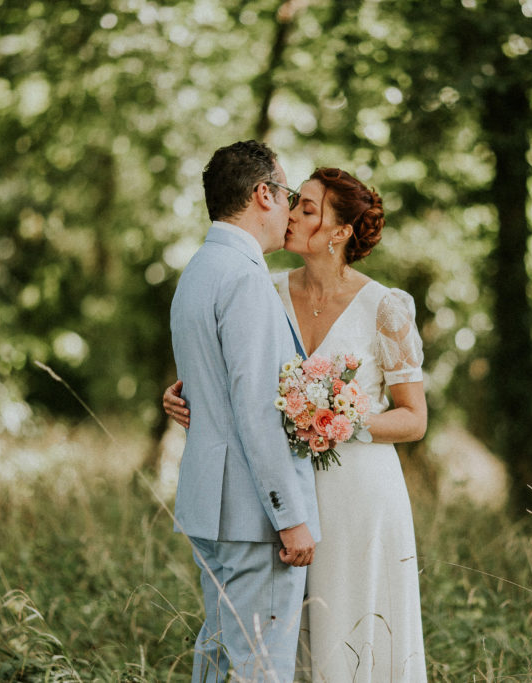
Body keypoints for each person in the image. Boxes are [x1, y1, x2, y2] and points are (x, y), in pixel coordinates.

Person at [166, 167, 428, 681]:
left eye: (307, 209)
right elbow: (241, 384)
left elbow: (414, 418)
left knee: (353, 626)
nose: (290, 214)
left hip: (360, 494)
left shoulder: (386, 307)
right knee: (284, 634)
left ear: (340, 232)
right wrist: (188, 398)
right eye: (294, 202)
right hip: (282, 491)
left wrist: (339, 422)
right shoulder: (263, 288)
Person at [169, 140, 320, 683]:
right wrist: (291, 516)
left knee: (215, 659)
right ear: (264, 194)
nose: (290, 212)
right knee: (262, 669)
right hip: (254, 517)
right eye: (289, 196)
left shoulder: (198, 272)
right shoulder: (247, 280)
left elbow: (205, 385)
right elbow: (258, 410)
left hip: (209, 503)